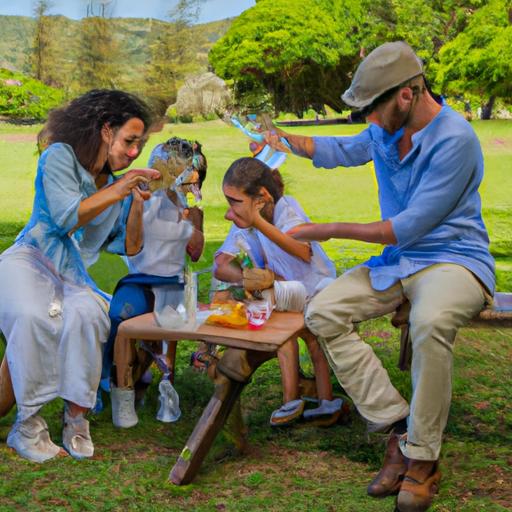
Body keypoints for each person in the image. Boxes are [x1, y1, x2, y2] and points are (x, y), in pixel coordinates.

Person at [265, 41, 494, 512]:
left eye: (374, 108)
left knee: (430, 324)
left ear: (408, 94)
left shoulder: (456, 139)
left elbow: (407, 225)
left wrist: (324, 229)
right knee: (324, 310)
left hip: (453, 258)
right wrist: (282, 140)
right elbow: (338, 149)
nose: (369, 120)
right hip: (398, 262)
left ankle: (424, 458)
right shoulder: (385, 130)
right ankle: (397, 428)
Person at [0, 89, 160, 462]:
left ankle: (76, 419)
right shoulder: (59, 158)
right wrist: (121, 187)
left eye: (140, 143)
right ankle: (28, 427)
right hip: (31, 260)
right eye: (129, 140)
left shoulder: (117, 186)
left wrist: (134, 203)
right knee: (32, 316)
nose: (135, 152)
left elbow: (131, 247)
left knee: (89, 316)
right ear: (106, 131)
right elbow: (64, 217)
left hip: (71, 278)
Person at [214, 157, 345, 427]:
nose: (229, 211)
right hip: (286, 293)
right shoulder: (248, 218)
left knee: (313, 341)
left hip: (316, 289)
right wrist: (248, 276)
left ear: (261, 197)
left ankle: (327, 402)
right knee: (284, 337)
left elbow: (302, 251)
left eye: (234, 202)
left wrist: (257, 223)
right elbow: (220, 265)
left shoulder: (287, 209)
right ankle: (290, 401)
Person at [106, 137, 207, 428]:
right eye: (189, 168)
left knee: (167, 333)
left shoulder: (187, 204)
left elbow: (197, 253)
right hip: (141, 278)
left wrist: (195, 219)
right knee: (122, 321)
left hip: (173, 281)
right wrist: (138, 205)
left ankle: (166, 393)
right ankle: (122, 394)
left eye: (195, 170)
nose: (194, 176)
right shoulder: (144, 198)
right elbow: (133, 245)